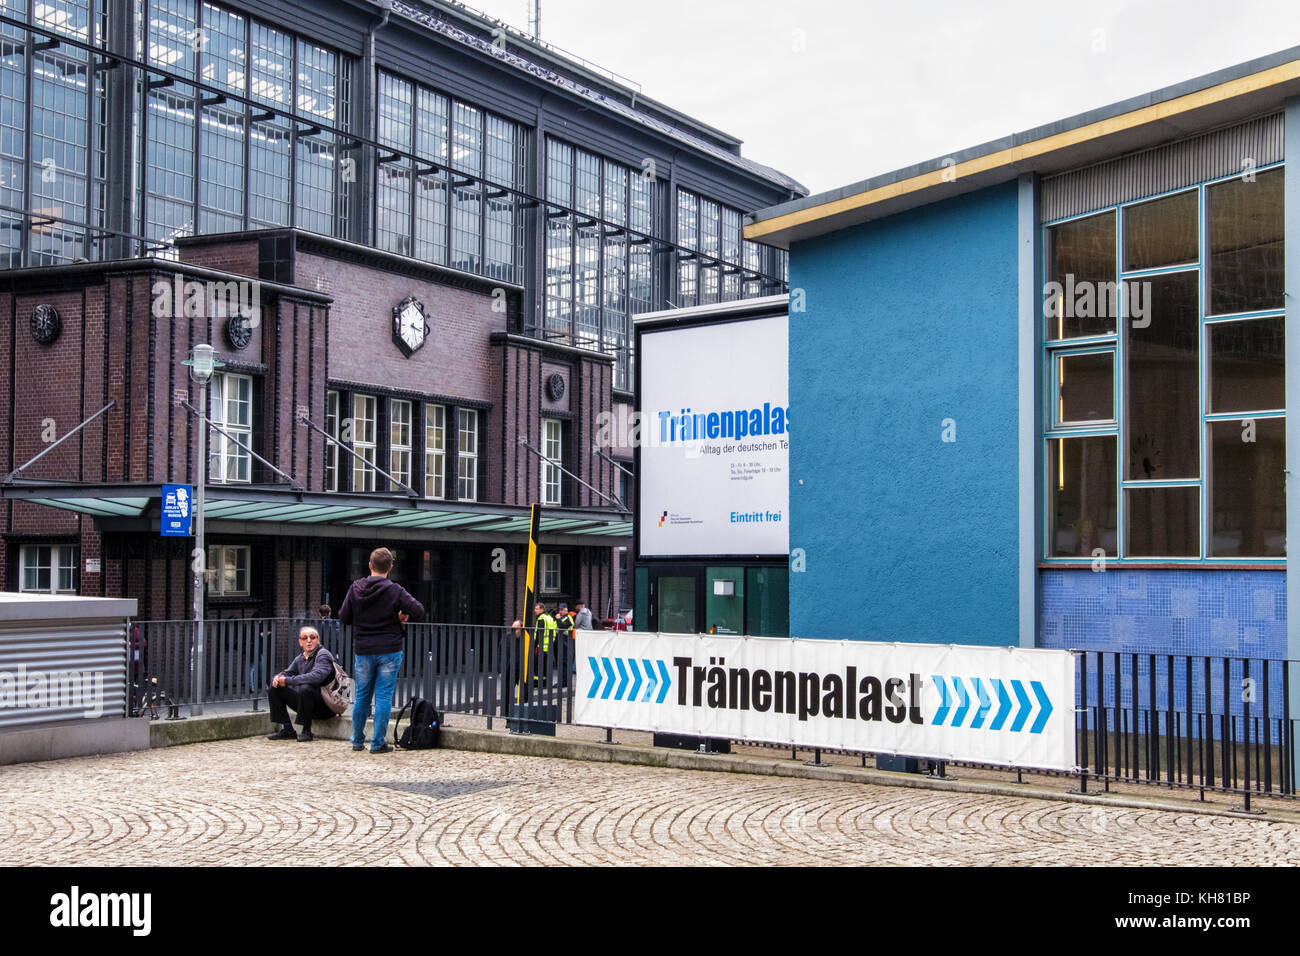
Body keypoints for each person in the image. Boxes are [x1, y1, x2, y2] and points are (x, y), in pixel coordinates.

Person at [338, 547, 425, 754]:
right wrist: (400, 616)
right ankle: (377, 743)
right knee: (384, 697)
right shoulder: (395, 590)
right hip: (389, 649)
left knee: (362, 697)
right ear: (390, 568)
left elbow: (343, 617)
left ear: (370, 565)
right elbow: (419, 610)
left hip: (363, 649)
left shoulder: (355, 588)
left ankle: (357, 740)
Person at [266, 625, 337, 742]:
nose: (309, 640)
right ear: (300, 642)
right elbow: (287, 672)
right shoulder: (300, 658)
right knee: (274, 688)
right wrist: (277, 678)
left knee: (306, 687)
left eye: (312, 637)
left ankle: (307, 732)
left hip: (327, 706)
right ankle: (288, 729)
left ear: (318, 640)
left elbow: (316, 677)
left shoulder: (323, 655)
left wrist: (287, 681)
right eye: (304, 638)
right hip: (307, 704)